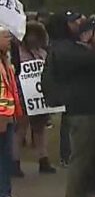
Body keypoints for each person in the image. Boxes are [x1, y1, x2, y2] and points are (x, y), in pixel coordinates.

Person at [48, 12, 95, 197]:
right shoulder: (63, 49)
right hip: (81, 110)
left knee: (88, 158)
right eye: (73, 22)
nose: (78, 25)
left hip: (89, 107)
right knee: (80, 159)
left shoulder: (68, 46)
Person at [12, 21, 56, 175]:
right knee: (20, 129)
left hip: (39, 99)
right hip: (23, 96)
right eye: (29, 35)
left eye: (35, 35)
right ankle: (15, 162)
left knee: (39, 130)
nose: (32, 38)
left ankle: (43, 159)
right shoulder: (17, 53)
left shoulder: (42, 53)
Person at [0, 28, 22, 197]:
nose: (9, 40)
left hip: (7, 115)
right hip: (2, 116)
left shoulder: (6, 61)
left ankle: (4, 191)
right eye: (6, 37)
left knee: (5, 154)